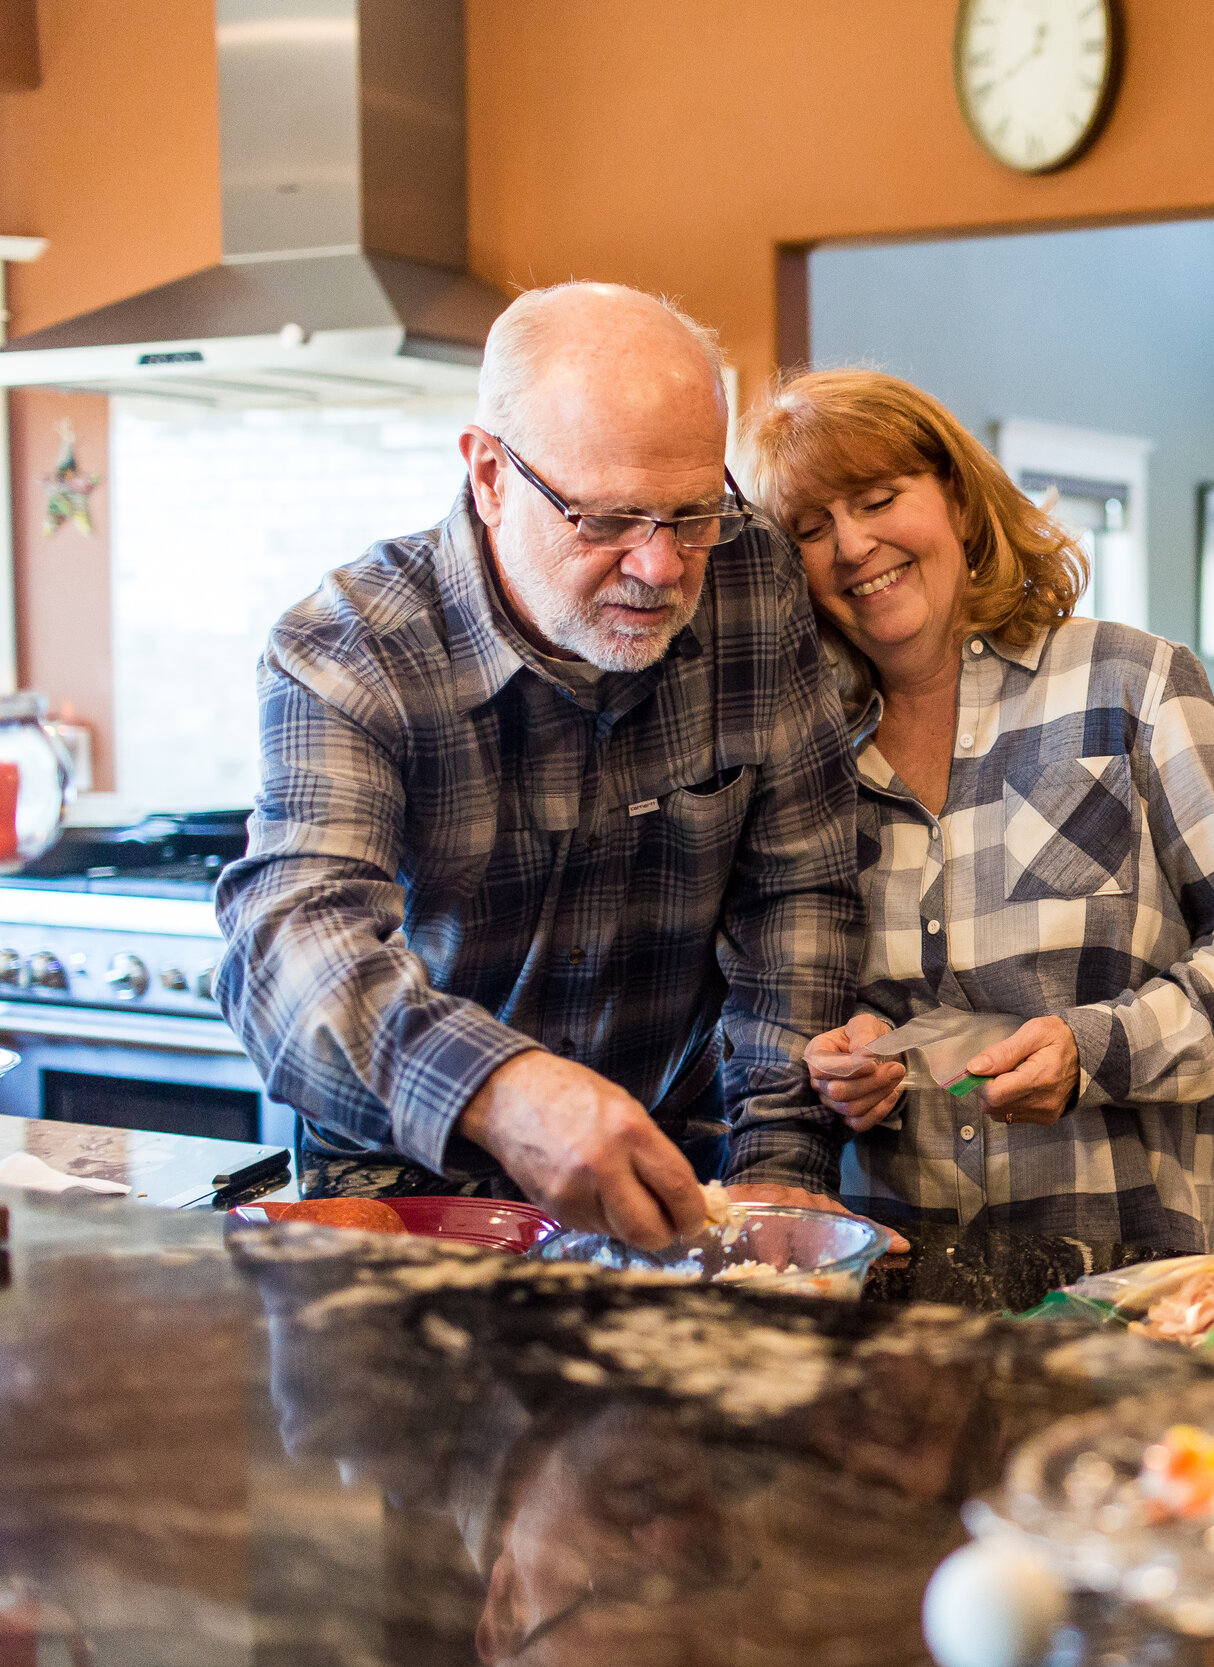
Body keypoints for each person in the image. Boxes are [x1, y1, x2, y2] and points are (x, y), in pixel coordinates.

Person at [216, 282, 878, 1251]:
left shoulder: (750, 578)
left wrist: (779, 1162)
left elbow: (798, 892)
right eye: (605, 520)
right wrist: (501, 1087)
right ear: (489, 474)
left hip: (675, 1162)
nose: (659, 567)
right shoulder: (351, 646)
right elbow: (290, 949)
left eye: (691, 512)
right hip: (405, 1186)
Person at [740, 369, 1214, 1251]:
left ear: (961, 506)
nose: (852, 544)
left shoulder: (1133, 683)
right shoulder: (806, 757)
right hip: (900, 1292)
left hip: (1119, 1293)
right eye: (811, 529)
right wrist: (846, 1062)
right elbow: (796, 995)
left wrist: (1092, 1050)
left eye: (879, 498)